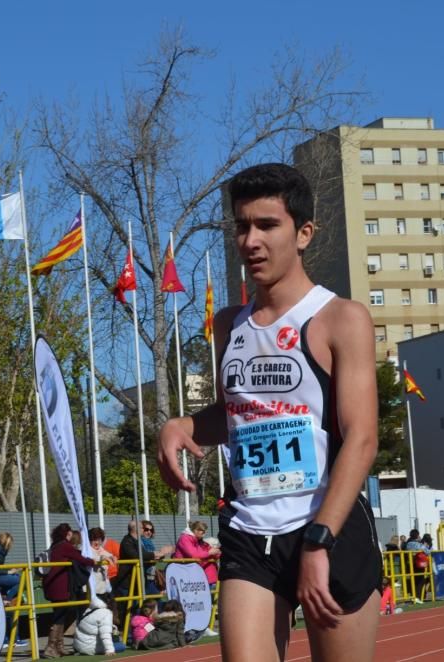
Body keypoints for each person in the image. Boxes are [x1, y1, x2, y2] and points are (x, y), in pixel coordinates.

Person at [158, 163, 382, 662]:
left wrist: (320, 540)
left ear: (303, 233)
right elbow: (235, 414)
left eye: (267, 225)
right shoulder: (227, 326)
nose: (250, 241)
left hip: (329, 525)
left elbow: (363, 437)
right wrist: (181, 426)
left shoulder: (340, 319)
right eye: (241, 226)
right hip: (250, 529)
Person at [42, 523, 95, 658]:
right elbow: (80, 558)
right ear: (67, 534)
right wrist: (94, 562)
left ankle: (59, 647)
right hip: (60, 586)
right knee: (59, 615)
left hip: (52, 584)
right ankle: (51, 647)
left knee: (61, 614)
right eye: (70, 533)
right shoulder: (65, 546)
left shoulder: (55, 545)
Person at [173, 520, 221, 588]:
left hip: (194, 573)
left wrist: (216, 552)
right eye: (202, 531)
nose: (204, 533)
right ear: (195, 530)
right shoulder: (185, 538)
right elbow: (194, 555)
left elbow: (207, 552)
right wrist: (210, 553)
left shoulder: (197, 541)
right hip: (184, 572)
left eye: (204, 531)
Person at [0, 532, 21, 600]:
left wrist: (10, 570)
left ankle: (7, 595)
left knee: (18, 576)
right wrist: (9, 572)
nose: (10, 546)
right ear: (6, 542)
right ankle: (7, 599)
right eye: (9, 544)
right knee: (20, 580)